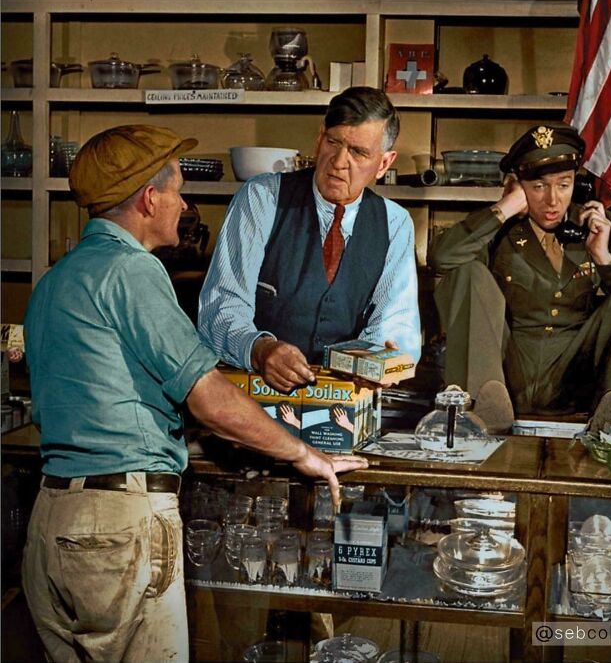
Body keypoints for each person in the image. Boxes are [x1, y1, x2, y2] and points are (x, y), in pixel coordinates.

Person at [21, 124, 367, 663]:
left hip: (51, 521)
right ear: (148, 197)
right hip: (119, 525)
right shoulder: (132, 272)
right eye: (178, 190)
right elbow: (209, 398)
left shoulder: (56, 280)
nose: (184, 205)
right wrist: (304, 453)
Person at [428, 122, 611, 434]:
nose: (553, 201)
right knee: (467, 271)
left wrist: (604, 259)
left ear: (575, 185)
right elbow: (441, 259)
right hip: (505, 376)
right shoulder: (495, 229)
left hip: (578, 376)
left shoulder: (602, 229)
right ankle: (476, 411)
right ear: (517, 184)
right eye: (539, 186)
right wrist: (505, 207)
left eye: (564, 185)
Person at [198, 87, 421, 392]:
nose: (339, 161)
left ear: (383, 163)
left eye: (358, 152)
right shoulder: (262, 198)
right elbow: (221, 307)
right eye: (333, 142)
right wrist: (259, 350)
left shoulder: (394, 223)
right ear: (319, 139)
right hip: (254, 393)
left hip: (342, 398)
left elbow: (397, 319)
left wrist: (376, 361)